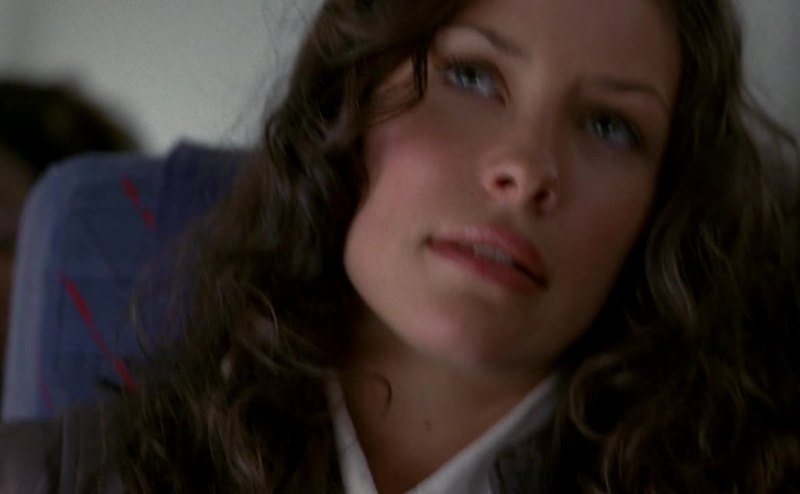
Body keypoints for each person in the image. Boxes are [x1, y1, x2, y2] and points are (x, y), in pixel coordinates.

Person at [1, 0, 798, 492]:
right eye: (473, 77)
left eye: (609, 125)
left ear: (661, 214)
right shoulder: (46, 477)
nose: (527, 169)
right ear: (344, 108)